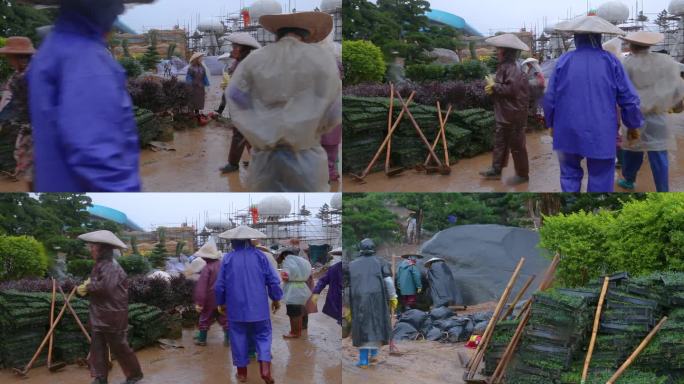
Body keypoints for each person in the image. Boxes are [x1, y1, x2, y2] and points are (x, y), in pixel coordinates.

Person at [28, 0, 144, 192]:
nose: (120, 10)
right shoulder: (85, 57)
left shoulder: (52, 48)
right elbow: (97, 153)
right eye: (115, 5)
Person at [226, 12, 342, 191]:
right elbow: (334, 110)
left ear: (277, 34)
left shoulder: (255, 59)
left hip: (266, 157)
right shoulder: (323, 59)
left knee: (264, 194)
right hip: (306, 156)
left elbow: (234, 95)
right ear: (306, 35)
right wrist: (313, 128)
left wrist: (259, 126)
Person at [543, 15, 644, 192]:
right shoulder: (611, 61)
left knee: (569, 175)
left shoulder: (563, 61)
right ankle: (596, 213)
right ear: (599, 37)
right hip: (601, 131)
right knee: (601, 177)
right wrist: (633, 125)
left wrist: (551, 123)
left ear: (576, 36)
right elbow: (629, 99)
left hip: (567, 130)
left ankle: (570, 214)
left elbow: (550, 98)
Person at [617, 32, 684, 192]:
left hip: (634, 116)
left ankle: (629, 180)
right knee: (659, 152)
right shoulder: (665, 61)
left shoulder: (627, 63)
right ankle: (663, 189)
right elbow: (677, 85)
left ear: (631, 45)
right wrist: (677, 103)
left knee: (633, 150)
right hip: (658, 116)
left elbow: (621, 90)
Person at [215, 225, 282, 384]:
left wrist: (220, 302)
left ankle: (242, 374)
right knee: (263, 337)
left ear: (233, 242)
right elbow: (273, 281)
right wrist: (276, 298)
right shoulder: (261, 257)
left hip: (236, 310)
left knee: (238, 339)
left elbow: (219, 285)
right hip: (259, 310)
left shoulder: (228, 259)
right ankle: (265, 370)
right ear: (249, 240)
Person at [75, 230, 142, 384]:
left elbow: (106, 287)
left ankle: (134, 375)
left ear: (103, 249)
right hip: (100, 313)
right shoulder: (100, 265)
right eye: (90, 246)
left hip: (113, 315)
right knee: (97, 348)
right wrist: (89, 284)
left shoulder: (111, 266)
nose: (91, 249)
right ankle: (100, 377)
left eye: (93, 247)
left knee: (120, 347)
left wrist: (88, 287)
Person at [479, 33, 531, 185]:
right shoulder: (506, 67)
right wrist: (494, 87)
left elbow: (512, 89)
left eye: (499, 49)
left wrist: (494, 86)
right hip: (506, 113)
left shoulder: (512, 68)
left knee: (517, 145)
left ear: (506, 51)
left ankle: (522, 174)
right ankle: (496, 170)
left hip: (514, 114)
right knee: (500, 142)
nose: (497, 52)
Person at [349, 239, 397, 368]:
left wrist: (346, 305)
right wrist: (393, 296)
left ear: (360, 249)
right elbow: (388, 281)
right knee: (377, 323)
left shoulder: (352, 264)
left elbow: (347, 285)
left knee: (362, 326)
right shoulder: (381, 262)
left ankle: (364, 361)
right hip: (378, 298)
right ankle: (374, 355)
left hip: (358, 299)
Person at [218, 33, 261, 174]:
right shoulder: (239, 61)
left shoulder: (249, 63)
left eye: (235, 46)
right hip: (239, 106)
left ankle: (237, 164)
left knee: (245, 135)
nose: (232, 49)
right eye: (233, 46)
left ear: (243, 49)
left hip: (247, 106)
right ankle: (252, 162)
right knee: (245, 135)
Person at [0, 36, 35, 189]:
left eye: (10, 57)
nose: (8, 60)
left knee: (34, 172)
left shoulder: (24, 77)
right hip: (29, 127)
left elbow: (14, 104)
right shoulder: (20, 75)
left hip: (35, 129)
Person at [192, 239, 229, 347]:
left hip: (209, 299)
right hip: (222, 298)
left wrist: (200, 302)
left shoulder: (207, 268)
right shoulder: (223, 265)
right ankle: (228, 340)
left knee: (204, 318)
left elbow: (201, 287)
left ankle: (202, 339)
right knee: (225, 318)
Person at [279, 248, 313, 339]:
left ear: (284, 255)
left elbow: (285, 276)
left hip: (293, 290)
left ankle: (295, 333)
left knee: (293, 313)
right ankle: (297, 330)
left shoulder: (288, 261)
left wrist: (283, 276)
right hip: (302, 287)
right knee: (298, 312)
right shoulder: (302, 261)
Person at [312, 253, 343, 325]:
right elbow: (323, 280)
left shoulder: (333, 268)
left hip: (338, 300)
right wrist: (316, 292)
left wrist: (316, 292)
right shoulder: (334, 268)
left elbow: (322, 281)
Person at [186, 52, 210, 125]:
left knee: (199, 101)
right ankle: (191, 115)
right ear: (196, 59)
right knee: (192, 101)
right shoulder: (191, 68)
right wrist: (189, 84)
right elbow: (188, 77)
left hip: (200, 87)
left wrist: (207, 84)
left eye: (202, 58)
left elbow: (204, 77)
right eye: (200, 58)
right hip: (193, 87)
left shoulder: (202, 67)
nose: (202, 59)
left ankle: (197, 114)